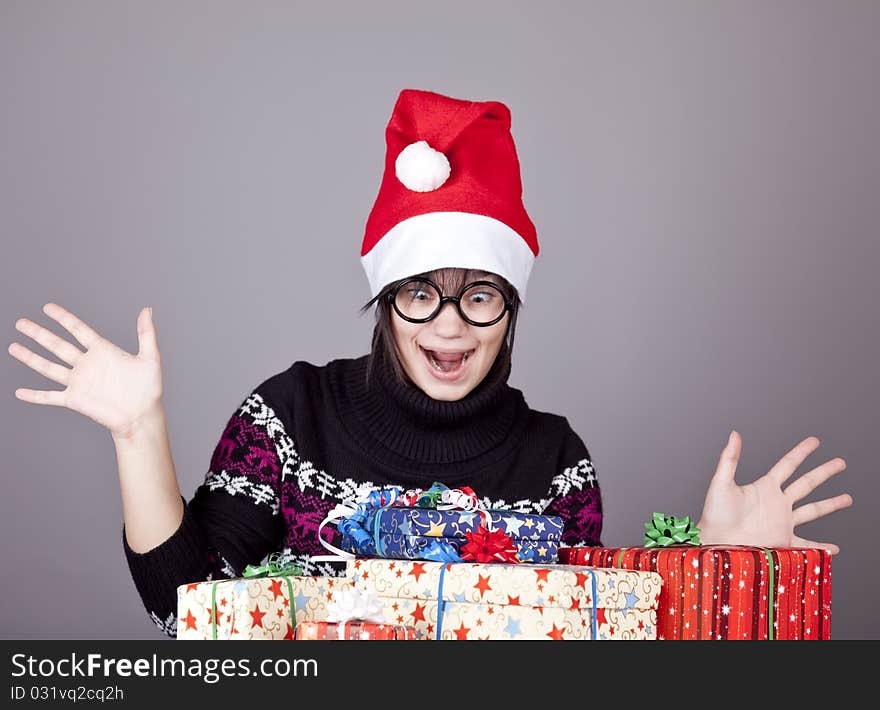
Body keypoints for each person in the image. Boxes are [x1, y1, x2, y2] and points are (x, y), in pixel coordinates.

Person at [8, 89, 853, 639]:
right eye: (422, 294)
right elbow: (187, 608)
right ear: (385, 299)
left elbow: (594, 640)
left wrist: (716, 563)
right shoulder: (292, 415)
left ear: (511, 305)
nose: (450, 327)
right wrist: (135, 433)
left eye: (479, 295)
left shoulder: (556, 461)